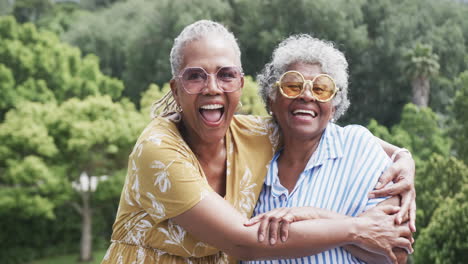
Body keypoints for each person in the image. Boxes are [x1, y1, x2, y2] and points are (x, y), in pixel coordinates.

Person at [102, 20, 414, 264]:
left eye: (226, 75)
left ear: (240, 83)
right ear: (175, 88)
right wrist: (355, 228)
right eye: (195, 76)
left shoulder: (255, 135)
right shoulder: (157, 150)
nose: (212, 87)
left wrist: (402, 157)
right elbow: (244, 242)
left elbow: (312, 123)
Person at [242, 35, 411, 264]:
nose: (307, 95)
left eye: (321, 88)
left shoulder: (357, 148)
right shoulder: (248, 157)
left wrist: (314, 215)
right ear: (272, 99)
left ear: (333, 107)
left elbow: (396, 252)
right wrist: (354, 229)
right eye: (293, 85)